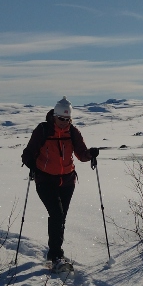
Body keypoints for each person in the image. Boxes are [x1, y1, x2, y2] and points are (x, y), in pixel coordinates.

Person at [21, 97, 99, 270]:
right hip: (45, 180)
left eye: (68, 119)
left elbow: (81, 154)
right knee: (57, 214)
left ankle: (54, 253)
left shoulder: (72, 132)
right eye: (61, 119)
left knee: (61, 217)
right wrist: (32, 165)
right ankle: (56, 255)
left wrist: (90, 154)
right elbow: (27, 154)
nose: (64, 123)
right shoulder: (43, 130)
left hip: (68, 181)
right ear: (54, 116)